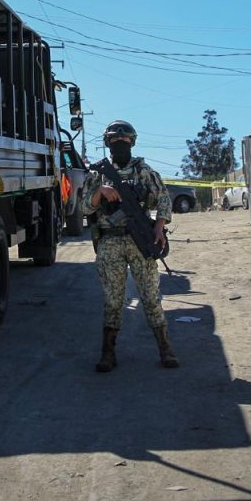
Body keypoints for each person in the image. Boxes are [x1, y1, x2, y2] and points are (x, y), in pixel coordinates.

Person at [81, 119, 179, 372]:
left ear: (132, 142)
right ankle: (108, 353)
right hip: (110, 240)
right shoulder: (97, 175)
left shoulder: (144, 172)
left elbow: (164, 200)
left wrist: (159, 227)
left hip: (140, 240)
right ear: (107, 143)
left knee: (150, 296)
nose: (120, 144)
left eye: (124, 140)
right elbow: (83, 207)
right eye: (115, 140)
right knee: (113, 300)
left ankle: (165, 348)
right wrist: (100, 191)